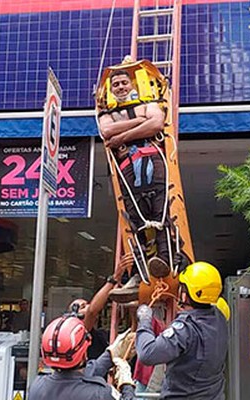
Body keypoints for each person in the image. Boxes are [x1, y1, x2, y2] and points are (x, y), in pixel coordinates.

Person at [98, 69, 172, 297]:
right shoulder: (107, 113)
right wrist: (140, 123)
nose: (120, 87)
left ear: (132, 85)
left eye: (123, 83)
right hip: (127, 169)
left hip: (153, 162)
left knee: (161, 215)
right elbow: (106, 130)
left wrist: (120, 138)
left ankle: (167, 260)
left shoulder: (149, 104)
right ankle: (140, 272)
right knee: (136, 220)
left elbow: (157, 124)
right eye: (116, 84)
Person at [135, 261, 229, 399]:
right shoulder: (220, 317)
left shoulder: (185, 329)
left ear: (185, 294)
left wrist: (144, 321)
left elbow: (147, 353)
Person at [27, 314, 137, 400]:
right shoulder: (100, 394)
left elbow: (76, 378)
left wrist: (111, 354)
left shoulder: (37, 387)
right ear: (84, 352)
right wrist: (126, 384)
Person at [68, 252, 133, 359]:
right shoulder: (79, 336)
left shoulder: (101, 335)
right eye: (83, 307)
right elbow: (92, 311)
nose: (88, 306)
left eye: (87, 304)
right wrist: (114, 278)